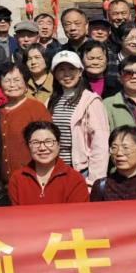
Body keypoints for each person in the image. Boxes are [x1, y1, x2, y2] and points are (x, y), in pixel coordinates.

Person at [47, 51, 109, 185]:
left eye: (71, 69)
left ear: (80, 72)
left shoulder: (91, 101)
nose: (67, 74)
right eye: (61, 70)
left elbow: (100, 144)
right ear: (54, 74)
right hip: (53, 170)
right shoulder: (50, 101)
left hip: (80, 171)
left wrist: (94, 181)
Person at [7, 122, 89, 205]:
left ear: (58, 145)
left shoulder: (75, 179)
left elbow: (78, 212)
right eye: (36, 143)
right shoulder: (17, 179)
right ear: (28, 146)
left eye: (48, 141)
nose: (42, 148)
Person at [0, 63, 52, 183]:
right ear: (0, 85)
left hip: (32, 178)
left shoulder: (37, 108)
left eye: (17, 80)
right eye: (7, 81)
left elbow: (49, 143)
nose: (12, 85)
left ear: (26, 84)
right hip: (3, 182)